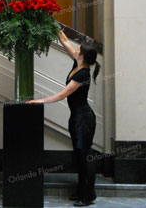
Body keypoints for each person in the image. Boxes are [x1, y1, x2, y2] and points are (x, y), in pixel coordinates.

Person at [25, 28, 101, 207]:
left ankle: (88, 195)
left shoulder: (82, 74)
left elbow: (61, 95)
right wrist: (53, 26)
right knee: (80, 155)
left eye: (78, 48)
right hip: (77, 117)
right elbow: (66, 41)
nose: (75, 49)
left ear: (81, 55)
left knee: (84, 156)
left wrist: (38, 101)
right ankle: (83, 191)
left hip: (83, 119)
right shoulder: (78, 63)